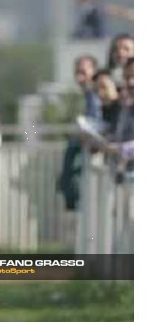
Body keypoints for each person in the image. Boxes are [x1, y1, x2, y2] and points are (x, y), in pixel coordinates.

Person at [57, 55, 101, 210]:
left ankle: (68, 190)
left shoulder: (97, 93)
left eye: (83, 71)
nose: (79, 76)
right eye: (77, 72)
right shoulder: (86, 94)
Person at [93, 69, 122, 136]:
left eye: (104, 87)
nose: (100, 93)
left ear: (114, 84)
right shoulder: (103, 109)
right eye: (96, 89)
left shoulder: (125, 108)